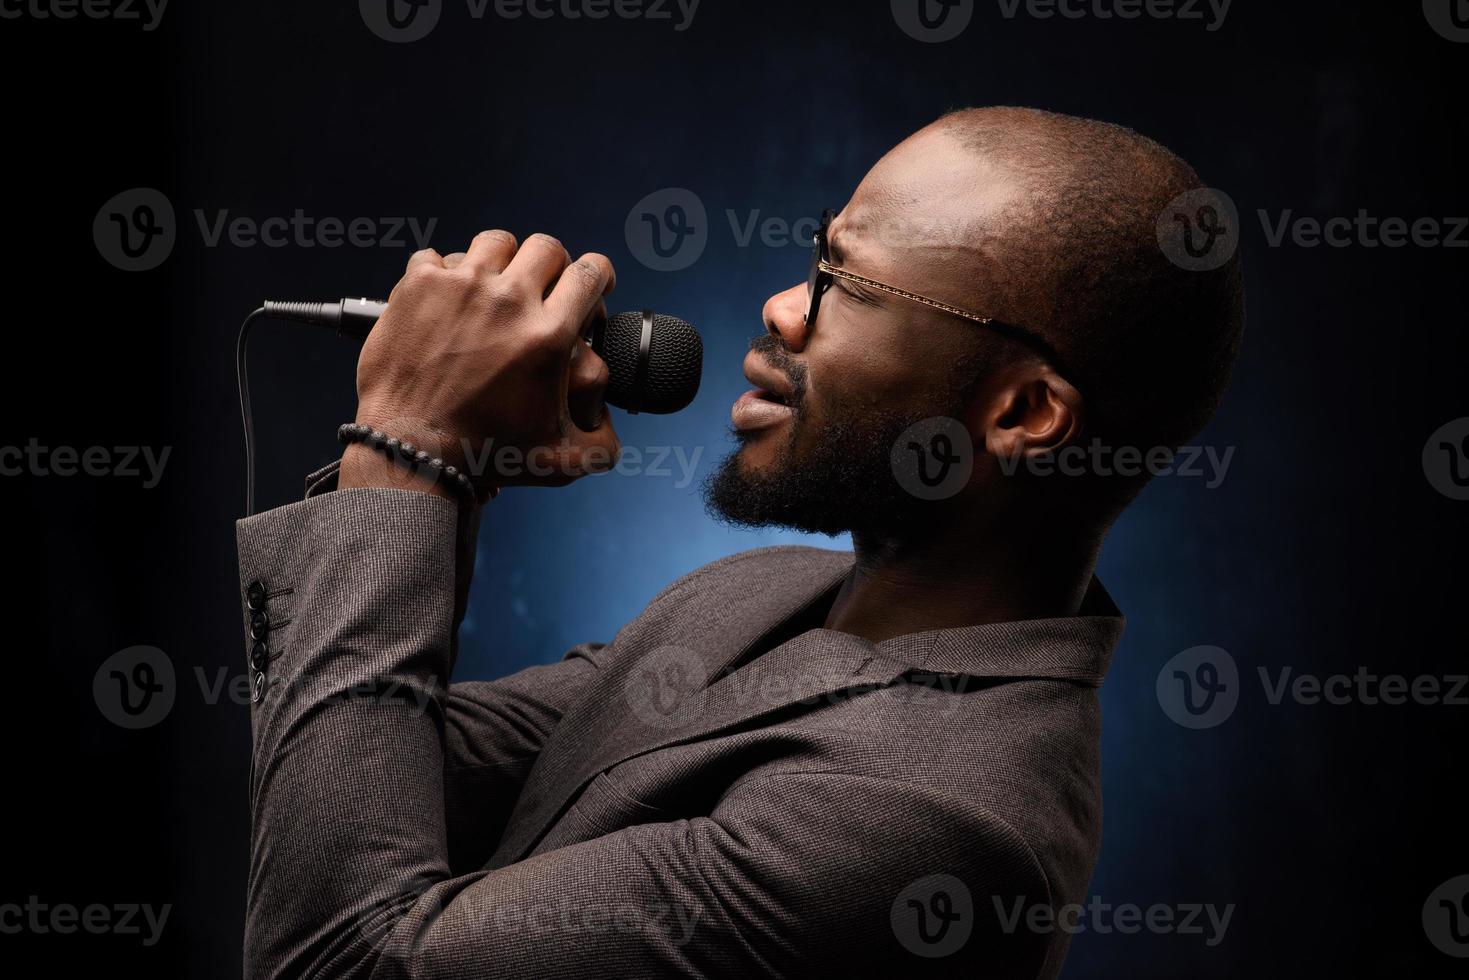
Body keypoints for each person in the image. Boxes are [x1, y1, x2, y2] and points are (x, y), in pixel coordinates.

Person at [237, 106, 1244, 979]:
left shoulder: (930, 824)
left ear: (1022, 411)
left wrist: (402, 445)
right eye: (813, 258)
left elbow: (336, 951)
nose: (778, 306)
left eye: (841, 283)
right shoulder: (756, 591)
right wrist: (455, 475)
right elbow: (345, 777)